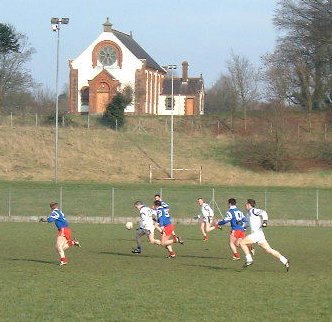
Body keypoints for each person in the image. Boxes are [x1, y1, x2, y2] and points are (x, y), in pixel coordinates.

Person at [240, 199, 290, 271]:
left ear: (248, 204)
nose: (245, 205)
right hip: (260, 235)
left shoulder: (253, 210)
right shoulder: (248, 214)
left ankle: (249, 259)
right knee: (269, 250)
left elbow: (264, 212)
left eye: (246, 204)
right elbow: (248, 224)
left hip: (256, 234)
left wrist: (265, 222)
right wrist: (243, 228)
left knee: (242, 243)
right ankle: (285, 260)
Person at [40, 201, 80, 266]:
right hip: (66, 229)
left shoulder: (55, 212)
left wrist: (45, 219)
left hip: (63, 229)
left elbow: (50, 220)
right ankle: (72, 242)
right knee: (59, 248)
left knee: (58, 247)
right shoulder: (60, 212)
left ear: (51, 207)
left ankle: (63, 261)